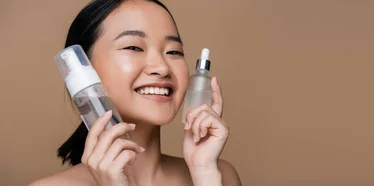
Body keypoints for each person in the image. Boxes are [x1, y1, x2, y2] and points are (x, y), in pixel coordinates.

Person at [30, 0, 241, 185]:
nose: (162, 67)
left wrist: (204, 173)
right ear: (84, 69)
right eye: (133, 47)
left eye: (173, 52)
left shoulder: (219, 175)